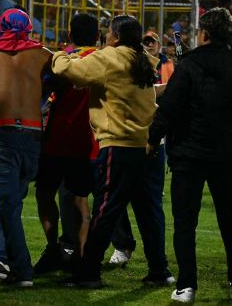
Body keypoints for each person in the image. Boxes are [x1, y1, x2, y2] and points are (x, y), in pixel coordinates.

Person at [148, 8, 232, 303]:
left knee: (185, 222)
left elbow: (170, 107)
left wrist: (153, 139)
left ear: (204, 33)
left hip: (189, 153)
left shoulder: (190, 64)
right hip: (223, 152)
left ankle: (187, 286)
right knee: (230, 219)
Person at [52, 15, 158, 288]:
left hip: (117, 145)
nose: (105, 37)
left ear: (117, 37)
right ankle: (160, 270)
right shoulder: (143, 58)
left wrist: (60, 55)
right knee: (147, 213)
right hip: (144, 146)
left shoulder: (111, 57)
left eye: (109, 33)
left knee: (105, 212)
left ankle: (88, 273)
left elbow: (68, 71)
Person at [0, 8, 52, 286]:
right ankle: (2, 258)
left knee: (7, 204)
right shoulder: (45, 56)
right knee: (12, 203)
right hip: (33, 135)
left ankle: (22, 269)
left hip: (2, 134)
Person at [107, 29, 175, 287]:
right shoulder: (136, 63)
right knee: (133, 205)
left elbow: (155, 94)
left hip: (139, 142)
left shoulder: (152, 64)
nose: (148, 45)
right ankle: (149, 262)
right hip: (145, 141)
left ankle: (91, 265)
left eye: (152, 42)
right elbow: (150, 92)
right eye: (144, 41)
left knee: (112, 201)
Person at [33, 13, 99, 274]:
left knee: (45, 193)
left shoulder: (60, 59)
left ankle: (53, 249)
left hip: (57, 140)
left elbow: (42, 91)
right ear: (97, 36)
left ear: (70, 34)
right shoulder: (103, 59)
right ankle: (81, 259)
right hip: (89, 141)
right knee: (82, 200)